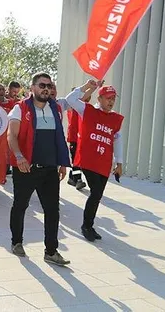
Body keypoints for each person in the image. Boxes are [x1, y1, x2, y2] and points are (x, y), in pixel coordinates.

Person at [7, 72, 71, 266]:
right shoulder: (20, 108)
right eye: (42, 85)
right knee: (20, 206)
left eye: (49, 86)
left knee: (52, 210)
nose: (46, 89)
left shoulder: (55, 108)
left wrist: (62, 163)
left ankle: (51, 251)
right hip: (26, 168)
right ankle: (16, 242)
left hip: (49, 169)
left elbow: (58, 137)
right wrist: (19, 156)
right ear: (32, 87)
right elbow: (11, 135)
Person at [66, 81, 124, 242]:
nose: (111, 101)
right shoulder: (88, 110)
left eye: (113, 98)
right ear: (99, 99)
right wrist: (87, 86)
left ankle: (89, 225)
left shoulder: (115, 118)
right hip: (88, 160)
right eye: (108, 98)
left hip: (104, 162)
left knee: (97, 195)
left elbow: (118, 141)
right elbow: (70, 100)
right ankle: (86, 226)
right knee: (96, 192)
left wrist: (119, 163)